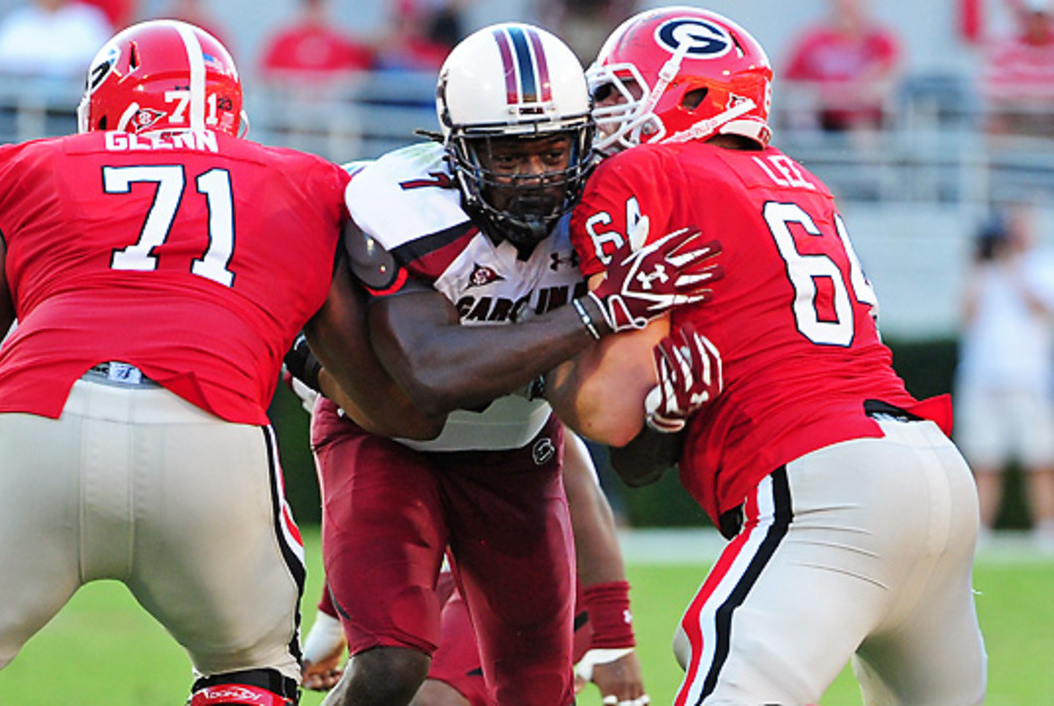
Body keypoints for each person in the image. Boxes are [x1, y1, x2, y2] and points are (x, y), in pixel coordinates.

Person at [0, 19, 408, 706]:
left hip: (40, 423)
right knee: (250, 673)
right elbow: (382, 402)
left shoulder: (42, 167)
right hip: (210, 435)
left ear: (106, 104)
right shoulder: (300, 184)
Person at [552, 7, 987, 704]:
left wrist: (536, 346)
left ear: (692, 95)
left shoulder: (644, 172)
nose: (605, 119)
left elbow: (606, 410)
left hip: (827, 482)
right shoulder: (799, 180)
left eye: (619, 94)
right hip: (932, 468)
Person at [298, 21, 718, 706]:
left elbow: (615, 447)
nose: (535, 177)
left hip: (516, 452)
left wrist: (665, 416)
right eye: (508, 157)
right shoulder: (403, 200)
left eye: (554, 152)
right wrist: (595, 313)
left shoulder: (604, 211)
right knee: (392, 663)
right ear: (457, 150)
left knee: (539, 690)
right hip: (387, 443)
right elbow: (430, 373)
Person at [298, 433, 647, 706]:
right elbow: (367, 515)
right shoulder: (328, 374)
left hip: (521, 565)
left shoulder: (452, 355)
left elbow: (577, 481)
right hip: (444, 566)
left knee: (429, 693)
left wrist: (614, 636)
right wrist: (330, 627)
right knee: (391, 675)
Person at [955, 202, 1054, 550]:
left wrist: (1013, 267)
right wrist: (980, 266)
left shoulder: (1042, 264)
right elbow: (966, 316)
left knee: (1040, 460)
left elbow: (1040, 306)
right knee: (984, 460)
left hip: (1028, 378)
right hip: (984, 377)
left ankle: (1046, 529)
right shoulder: (985, 270)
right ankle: (982, 532)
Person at [780, 0, 902, 133]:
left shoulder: (880, 42)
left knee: (865, 124)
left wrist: (861, 91)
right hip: (823, 115)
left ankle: (868, 152)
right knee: (802, 115)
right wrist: (822, 94)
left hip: (862, 115)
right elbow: (789, 80)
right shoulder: (813, 41)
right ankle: (808, 150)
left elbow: (890, 78)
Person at [980, 0, 1054, 138]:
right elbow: (993, 89)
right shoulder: (1007, 49)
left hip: (1050, 115)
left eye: (1041, 18)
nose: (1037, 24)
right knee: (994, 124)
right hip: (1016, 115)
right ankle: (1001, 159)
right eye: (1032, 18)